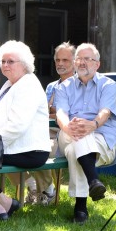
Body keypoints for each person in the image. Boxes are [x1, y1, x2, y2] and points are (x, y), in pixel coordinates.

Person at [0, 40, 51, 221]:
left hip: (30, 151)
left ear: (24, 64)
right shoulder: (11, 83)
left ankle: (1, 203)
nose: (5, 65)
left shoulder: (28, 84)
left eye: (10, 61)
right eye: (3, 62)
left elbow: (17, 126)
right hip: (14, 147)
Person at [55, 42, 116, 224]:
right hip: (69, 132)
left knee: (76, 149)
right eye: (79, 59)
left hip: (101, 137)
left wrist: (93, 124)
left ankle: (80, 208)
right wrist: (68, 127)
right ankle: (93, 181)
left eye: (87, 59)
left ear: (97, 64)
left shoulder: (108, 84)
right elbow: (60, 113)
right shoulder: (64, 87)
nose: (82, 62)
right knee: (76, 135)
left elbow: (105, 111)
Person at [24, 41, 76, 206]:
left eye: (65, 60)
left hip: (63, 137)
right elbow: (44, 111)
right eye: (57, 60)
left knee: (36, 148)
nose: (60, 64)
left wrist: (53, 111)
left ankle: (47, 190)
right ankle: (33, 187)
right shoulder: (51, 87)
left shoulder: (79, 86)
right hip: (43, 132)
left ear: (75, 62)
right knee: (12, 145)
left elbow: (69, 115)